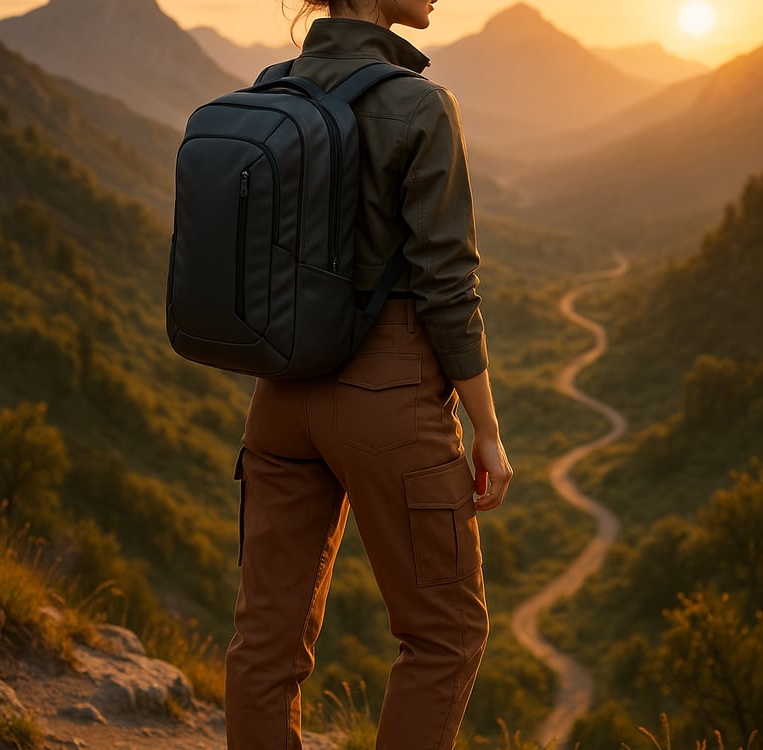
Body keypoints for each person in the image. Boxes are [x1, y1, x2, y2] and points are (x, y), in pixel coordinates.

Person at [224, 1, 513, 748]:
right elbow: (448, 283)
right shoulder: (419, 104)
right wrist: (486, 428)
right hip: (388, 392)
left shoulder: (273, 88)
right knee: (443, 636)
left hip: (279, 394)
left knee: (265, 644)